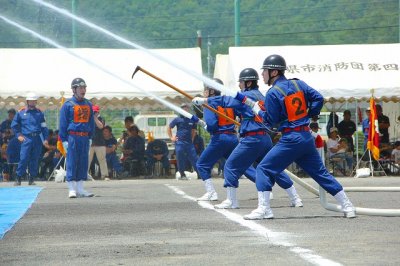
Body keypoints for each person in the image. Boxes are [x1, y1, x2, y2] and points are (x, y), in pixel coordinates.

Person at [242, 54, 355, 219]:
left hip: (290, 139)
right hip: (306, 137)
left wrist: (257, 110)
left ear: (274, 72)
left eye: (265, 71)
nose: (262, 74)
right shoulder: (298, 83)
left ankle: (264, 209)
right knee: (320, 173)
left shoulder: (273, 93)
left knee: (263, 169)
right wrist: (310, 114)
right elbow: (318, 98)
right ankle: (348, 206)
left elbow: (271, 122)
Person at [192, 68, 303, 209]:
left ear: (248, 82)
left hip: (251, 139)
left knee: (230, 166)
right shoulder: (261, 95)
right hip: (265, 138)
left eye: (242, 82)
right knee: (274, 167)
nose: (240, 85)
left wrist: (204, 101)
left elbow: (226, 100)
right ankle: (295, 198)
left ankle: (231, 201)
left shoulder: (245, 96)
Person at [195, 78, 258, 201]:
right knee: (243, 165)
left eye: (206, 89)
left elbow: (212, 125)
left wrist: (206, 126)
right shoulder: (228, 103)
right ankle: (263, 186)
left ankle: (211, 193)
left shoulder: (208, 104)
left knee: (202, 164)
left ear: (212, 91)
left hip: (219, 138)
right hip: (232, 137)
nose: (204, 91)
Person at [59, 77, 95, 198]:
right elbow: (62, 124)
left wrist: (90, 137)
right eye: (80, 87)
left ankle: (80, 188)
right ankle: (71, 188)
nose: (83, 90)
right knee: (72, 162)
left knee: (83, 162)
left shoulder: (89, 104)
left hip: (84, 137)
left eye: (84, 87)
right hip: (72, 137)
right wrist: (64, 140)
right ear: (74, 89)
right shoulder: (67, 105)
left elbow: (91, 123)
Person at [11, 92, 49, 186]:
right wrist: (18, 135)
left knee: (35, 159)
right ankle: (18, 178)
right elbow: (14, 125)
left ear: (36, 101)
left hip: (37, 139)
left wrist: (45, 139)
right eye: (30, 100)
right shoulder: (21, 112)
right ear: (27, 101)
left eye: (34, 101)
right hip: (26, 138)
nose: (32, 102)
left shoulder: (40, 113)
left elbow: (44, 127)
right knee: (23, 158)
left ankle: (32, 179)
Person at [167, 103, 199, 180]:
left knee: (194, 158)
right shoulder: (177, 119)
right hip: (179, 142)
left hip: (189, 143)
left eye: (186, 108)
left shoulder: (192, 118)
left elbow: (193, 130)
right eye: (183, 108)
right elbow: (169, 127)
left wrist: (192, 139)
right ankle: (182, 174)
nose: (185, 109)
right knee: (180, 158)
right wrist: (172, 137)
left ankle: (200, 173)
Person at [88, 105, 109, 180]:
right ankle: (84, 175)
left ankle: (105, 175)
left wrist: (95, 118)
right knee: (87, 159)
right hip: (90, 142)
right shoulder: (88, 119)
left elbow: (101, 126)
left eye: (95, 112)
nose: (94, 113)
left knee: (102, 159)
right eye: (93, 112)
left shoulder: (101, 119)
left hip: (100, 143)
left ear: (98, 112)